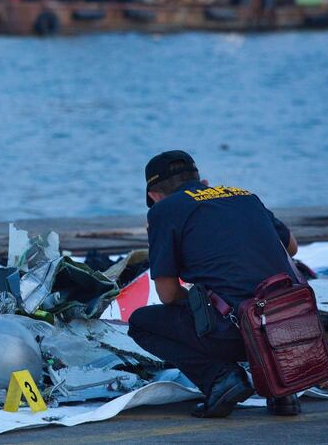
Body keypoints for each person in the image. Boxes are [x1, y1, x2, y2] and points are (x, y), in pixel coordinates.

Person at [128, 150, 301, 418]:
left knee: (142, 322)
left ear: (154, 196)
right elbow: (291, 248)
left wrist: (202, 299)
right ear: (203, 182)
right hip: (289, 328)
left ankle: (221, 378)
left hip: (238, 332)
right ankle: (282, 387)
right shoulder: (246, 196)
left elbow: (168, 295)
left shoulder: (164, 211)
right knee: (249, 300)